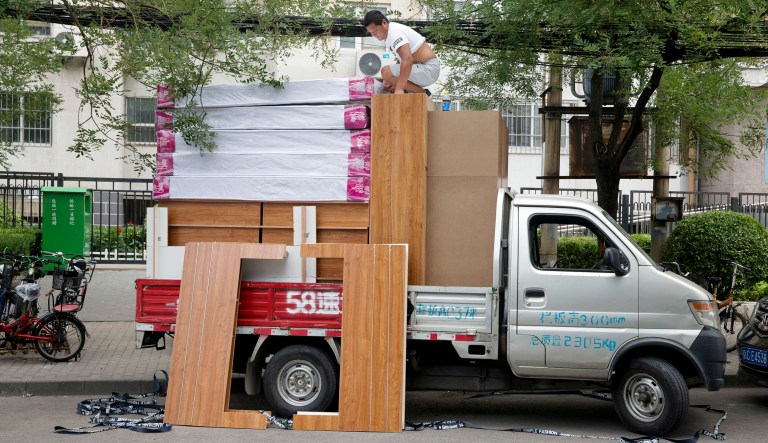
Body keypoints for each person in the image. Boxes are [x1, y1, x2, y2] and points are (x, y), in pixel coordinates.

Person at [362, 11, 440, 95]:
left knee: (385, 72)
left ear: (384, 23)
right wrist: (389, 79)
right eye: (371, 33)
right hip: (424, 69)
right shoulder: (391, 34)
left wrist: (399, 88)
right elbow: (402, 60)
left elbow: (408, 59)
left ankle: (422, 92)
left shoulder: (395, 34)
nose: (374, 35)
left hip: (429, 69)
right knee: (392, 86)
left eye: (375, 31)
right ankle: (418, 94)